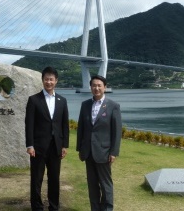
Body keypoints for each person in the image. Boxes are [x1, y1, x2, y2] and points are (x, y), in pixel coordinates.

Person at [25, 66, 70, 211]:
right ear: (42, 80)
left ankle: (54, 206)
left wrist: (65, 145)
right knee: (36, 179)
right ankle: (37, 207)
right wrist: (30, 145)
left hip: (56, 146)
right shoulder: (34, 100)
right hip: (38, 147)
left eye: (51, 79)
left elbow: (64, 125)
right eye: (46, 79)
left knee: (54, 179)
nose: (48, 82)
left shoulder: (62, 101)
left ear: (56, 81)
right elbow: (29, 124)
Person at [76, 75, 122, 211]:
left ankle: (107, 208)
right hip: (88, 152)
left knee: (105, 184)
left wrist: (114, 152)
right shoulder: (85, 105)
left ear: (104, 87)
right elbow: (81, 128)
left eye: (99, 85)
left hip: (104, 152)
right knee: (92, 184)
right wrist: (80, 149)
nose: (96, 88)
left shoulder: (113, 106)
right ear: (90, 87)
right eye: (94, 85)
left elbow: (117, 131)